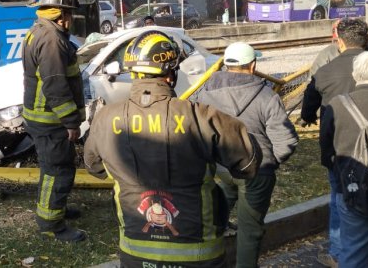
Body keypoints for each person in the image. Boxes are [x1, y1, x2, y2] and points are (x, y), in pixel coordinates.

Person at [84, 30, 262, 268]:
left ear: (134, 73)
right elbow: (248, 163)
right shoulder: (201, 116)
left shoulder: (105, 118)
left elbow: (94, 167)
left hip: (135, 254)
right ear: (171, 75)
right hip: (198, 254)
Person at [195, 42, 298, 268]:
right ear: (252, 66)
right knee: (250, 230)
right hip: (257, 172)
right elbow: (286, 140)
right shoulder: (266, 97)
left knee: (219, 208)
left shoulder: (205, 94)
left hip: (223, 167)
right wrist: (269, 163)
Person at [302, 18, 368, 268]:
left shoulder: (325, 71)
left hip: (338, 148)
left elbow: (309, 106)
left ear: (339, 41)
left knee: (340, 198)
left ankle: (339, 254)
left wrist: (308, 118)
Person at [22, 0, 86, 242]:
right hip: (50, 120)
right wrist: (71, 122)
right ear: (62, 14)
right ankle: (51, 223)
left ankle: (54, 209)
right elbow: (57, 85)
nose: (71, 19)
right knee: (57, 171)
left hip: (43, 118)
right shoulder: (52, 39)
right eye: (70, 13)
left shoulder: (39, 30)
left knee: (52, 167)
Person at [320, 51, 368, 268]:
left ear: (356, 75)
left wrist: (337, 170)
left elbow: (326, 148)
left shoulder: (338, 105)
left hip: (352, 188)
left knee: (353, 252)